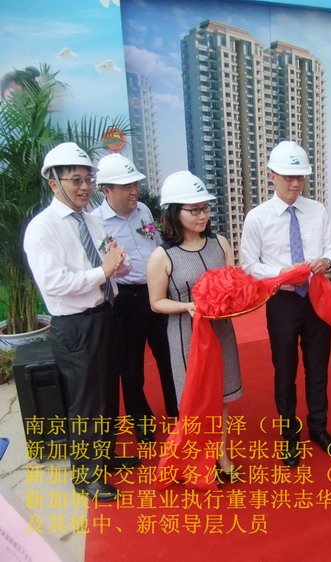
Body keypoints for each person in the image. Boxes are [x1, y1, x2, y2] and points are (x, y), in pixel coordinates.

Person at [24, 142, 137, 502]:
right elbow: (54, 283)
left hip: (106, 315)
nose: (85, 187)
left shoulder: (91, 220)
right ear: (54, 183)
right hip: (75, 326)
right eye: (76, 180)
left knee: (107, 393)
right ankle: (87, 476)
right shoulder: (42, 229)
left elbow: (112, 265)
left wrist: (119, 265)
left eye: (88, 179)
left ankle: (105, 456)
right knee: (87, 401)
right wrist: (102, 271)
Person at [240, 140, 331, 467]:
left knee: (318, 367)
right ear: (271, 175)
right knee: (285, 370)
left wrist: (326, 261)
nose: (295, 183)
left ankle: (319, 427)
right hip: (282, 301)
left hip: (316, 296)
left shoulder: (317, 210)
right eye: (288, 177)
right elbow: (249, 265)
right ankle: (289, 434)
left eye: (300, 177)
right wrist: (281, 273)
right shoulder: (258, 218)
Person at [146, 171, 242, 478]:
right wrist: (187, 306)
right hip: (187, 336)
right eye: (194, 210)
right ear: (175, 212)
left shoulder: (220, 243)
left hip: (221, 331)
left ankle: (221, 455)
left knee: (221, 398)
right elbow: (156, 302)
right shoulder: (162, 255)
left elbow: (232, 284)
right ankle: (197, 461)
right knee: (196, 402)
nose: (202, 216)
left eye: (205, 208)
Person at [92, 154, 178, 444]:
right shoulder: (97, 223)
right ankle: (141, 421)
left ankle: (177, 410)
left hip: (158, 293)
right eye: (126, 186)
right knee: (130, 366)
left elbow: (154, 243)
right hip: (126, 301)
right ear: (106, 190)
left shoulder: (143, 210)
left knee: (169, 356)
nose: (134, 191)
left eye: (136, 184)